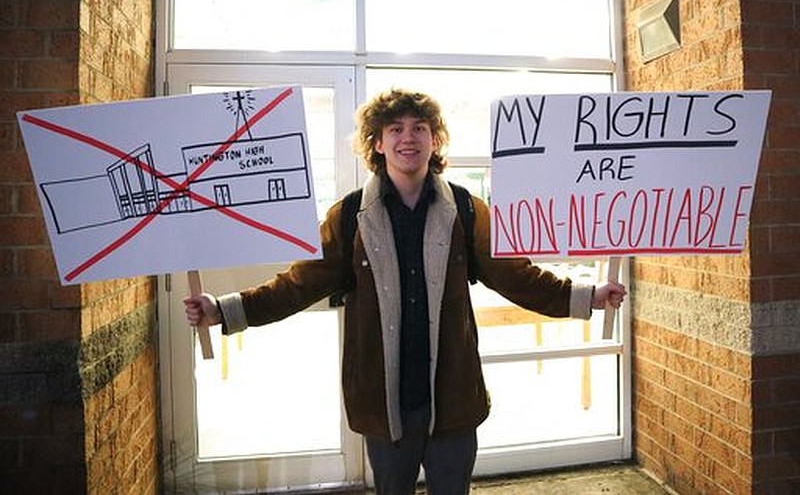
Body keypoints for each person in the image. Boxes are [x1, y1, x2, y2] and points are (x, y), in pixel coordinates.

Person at [184, 88, 627, 494]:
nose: (407, 138)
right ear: (376, 143)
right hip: (383, 403)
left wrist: (588, 296)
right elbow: (298, 285)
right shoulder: (350, 215)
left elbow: (517, 277)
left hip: (452, 399)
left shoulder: (468, 211)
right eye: (395, 129)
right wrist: (223, 310)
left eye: (419, 128)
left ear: (435, 141)